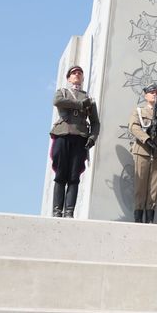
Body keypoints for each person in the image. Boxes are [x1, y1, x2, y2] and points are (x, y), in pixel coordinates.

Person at [49, 66, 99, 218]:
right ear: (69, 78)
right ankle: (57, 211)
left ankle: (69, 211)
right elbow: (57, 101)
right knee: (60, 174)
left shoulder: (89, 98)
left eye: (79, 73)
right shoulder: (62, 92)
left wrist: (92, 137)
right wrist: (79, 105)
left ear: (82, 78)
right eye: (73, 73)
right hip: (63, 135)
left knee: (74, 177)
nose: (77, 75)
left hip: (80, 137)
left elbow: (95, 122)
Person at [128, 84, 157, 223]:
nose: (154, 94)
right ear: (145, 95)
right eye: (151, 92)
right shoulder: (139, 111)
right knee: (140, 186)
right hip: (142, 151)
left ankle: (149, 218)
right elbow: (133, 126)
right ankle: (138, 216)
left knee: (154, 187)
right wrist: (146, 139)